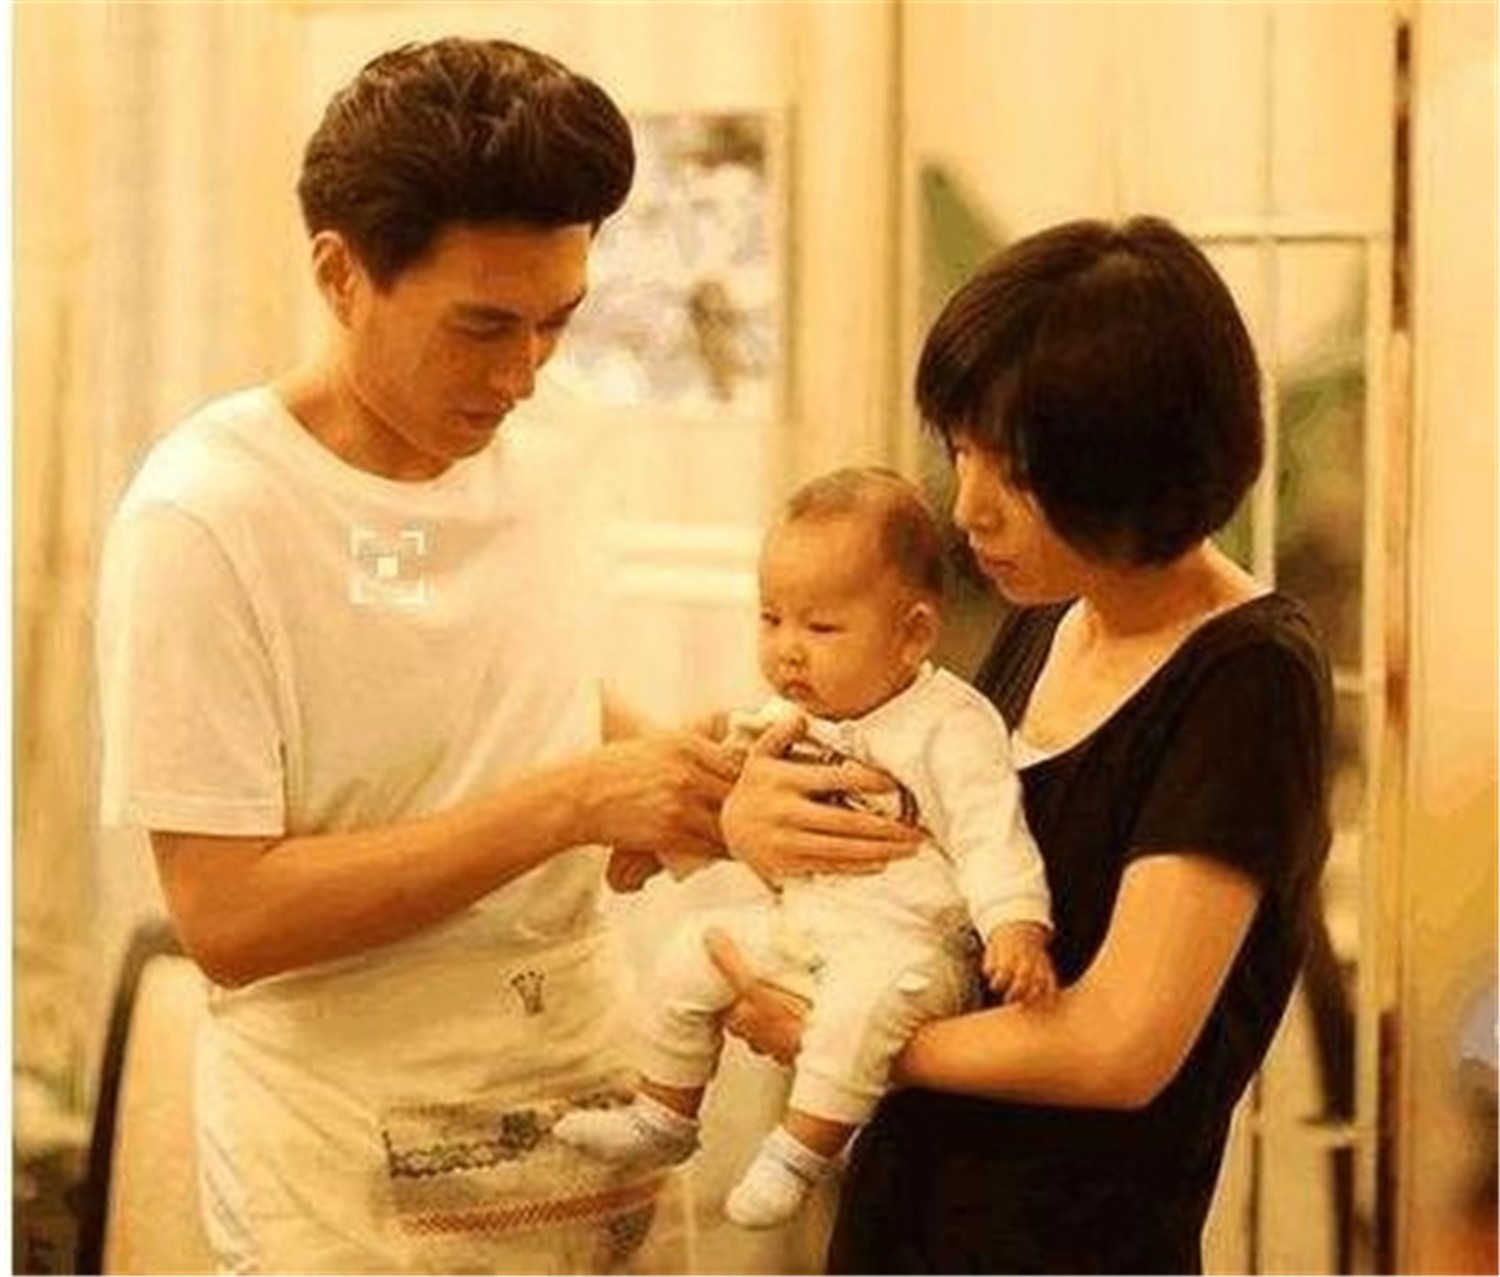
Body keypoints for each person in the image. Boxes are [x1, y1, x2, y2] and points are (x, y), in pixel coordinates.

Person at [94, 38, 913, 1274]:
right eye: (481, 326)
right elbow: (229, 912)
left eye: (556, 323)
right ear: (341, 274)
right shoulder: (210, 513)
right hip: (345, 1126)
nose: (523, 373)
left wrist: (700, 779)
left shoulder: (553, 446)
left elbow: (519, 689)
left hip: (576, 1061)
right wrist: (576, 803)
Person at [715, 216, 1334, 1273]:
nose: (970, 509)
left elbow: (1117, 1045)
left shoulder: (1247, 674)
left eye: (1015, 470)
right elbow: (930, 871)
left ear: (1130, 459)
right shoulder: (1051, 618)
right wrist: (753, 820)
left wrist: (849, 1038)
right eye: (961, 451)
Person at [554, 467, 1055, 1229]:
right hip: (807, 930)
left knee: (859, 1011)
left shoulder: (951, 725)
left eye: (820, 629)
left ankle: (799, 1153)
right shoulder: (788, 716)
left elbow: (992, 832)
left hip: (911, 947)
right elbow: (721, 785)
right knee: (692, 949)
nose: (788, 651)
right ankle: (663, 1116)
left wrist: (1016, 924)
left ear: (912, 634)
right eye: (771, 619)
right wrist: (658, 852)